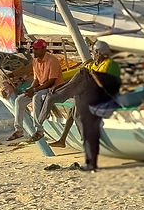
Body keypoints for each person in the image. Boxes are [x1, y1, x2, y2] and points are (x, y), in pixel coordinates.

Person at [44, 41, 121, 172]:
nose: (92, 54)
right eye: (92, 52)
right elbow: (74, 77)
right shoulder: (91, 63)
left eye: (94, 52)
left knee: (80, 116)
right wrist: (59, 86)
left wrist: (90, 75)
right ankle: (65, 140)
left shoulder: (110, 65)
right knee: (73, 110)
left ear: (100, 53)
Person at [7, 39, 64, 142]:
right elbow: (36, 79)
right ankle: (19, 130)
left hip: (54, 89)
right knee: (19, 100)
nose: (34, 51)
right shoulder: (35, 61)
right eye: (34, 49)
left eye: (37, 49)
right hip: (42, 87)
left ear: (44, 49)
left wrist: (35, 90)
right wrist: (30, 88)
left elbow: (51, 81)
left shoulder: (52, 60)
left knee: (36, 97)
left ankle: (39, 130)